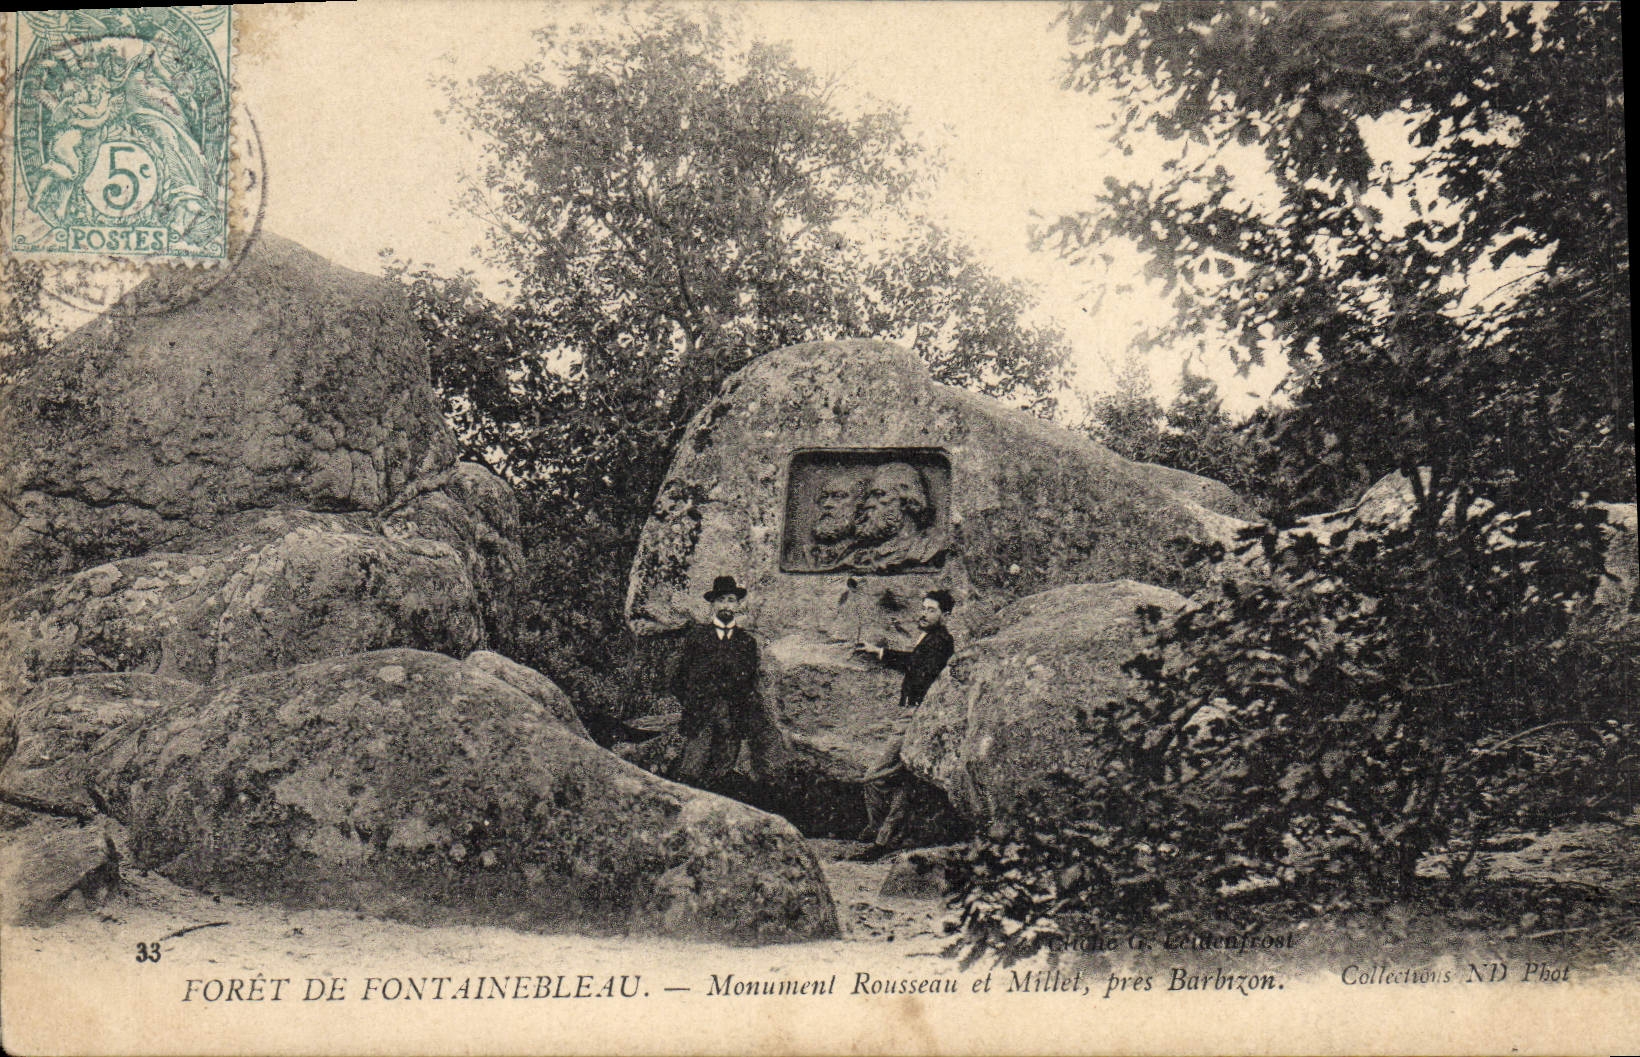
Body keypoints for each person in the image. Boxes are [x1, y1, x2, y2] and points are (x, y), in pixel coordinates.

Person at [853, 588, 957, 857]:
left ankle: (878, 831)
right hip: (913, 713)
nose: (924, 613)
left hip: (917, 715)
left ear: (945, 615)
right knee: (902, 783)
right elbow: (914, 662)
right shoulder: (932, 640)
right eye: (923, 608)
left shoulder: (940, 642)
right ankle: (883, 839)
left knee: (874, 777)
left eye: (931, 609)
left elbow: (921, 670)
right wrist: (880, 652)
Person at [668, 575, 787, 786]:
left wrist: (737, 710)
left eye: (731, 600)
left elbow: (750, 682)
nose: (726, 605)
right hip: (701, 716)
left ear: (738, 605)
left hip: (733, 718)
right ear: (712, 604)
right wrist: (693, 704)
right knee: (690, 772)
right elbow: (679, 677)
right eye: (721, 600)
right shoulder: (697, 637)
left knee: (722, 773)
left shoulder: (746, 642)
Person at [848, 462, 946, 572]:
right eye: (869, 497)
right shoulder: (864, 554)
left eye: (879, 494)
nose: (868, 504)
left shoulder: (928, 548)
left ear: (907, 501)